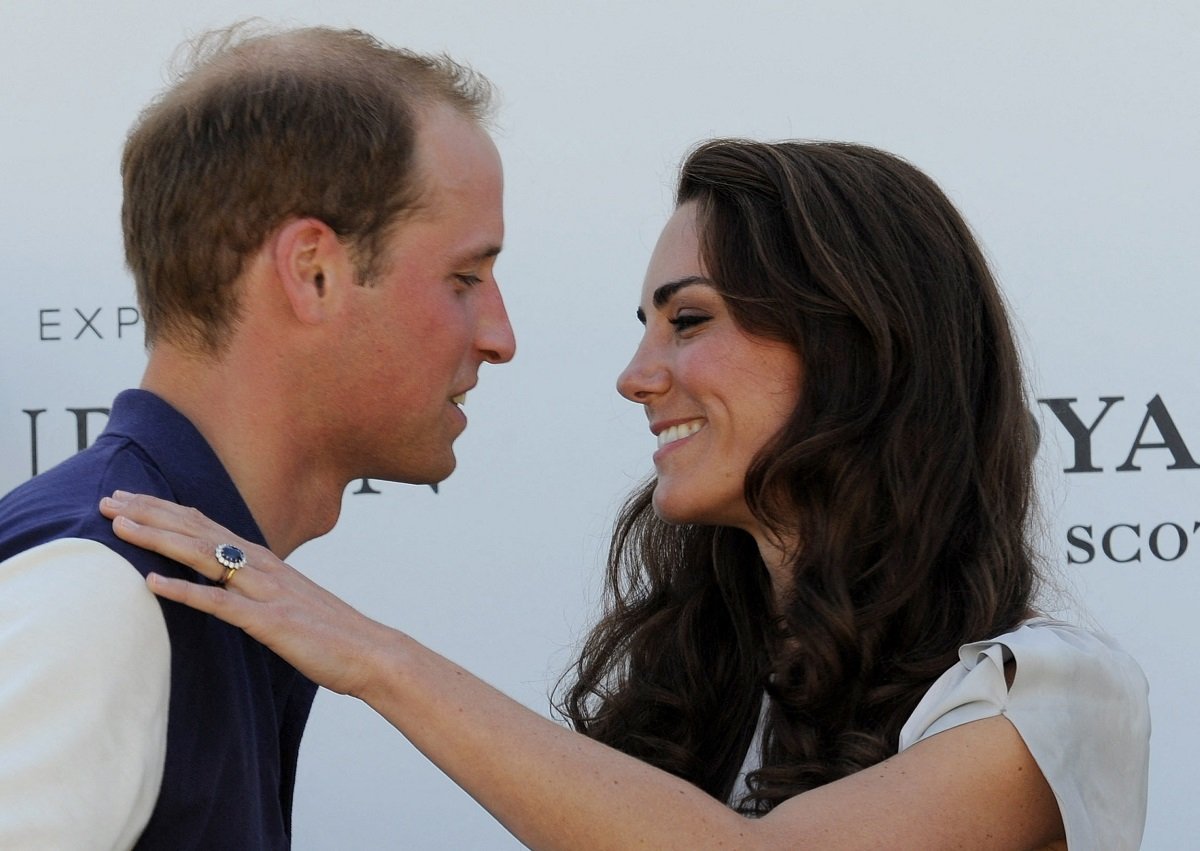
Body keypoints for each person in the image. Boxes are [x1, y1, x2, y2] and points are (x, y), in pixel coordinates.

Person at [100, 140, 1150, 849]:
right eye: (647, 323)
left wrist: (376, 655)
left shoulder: (1053, 697)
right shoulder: (702, 686)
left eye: (688, 320)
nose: (637, 372)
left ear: (855, 344)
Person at [0, 23, 514, 849]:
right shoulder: (97, 591)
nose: (500, 334)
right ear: (313, 271)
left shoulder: (163, 581)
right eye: (464, 277)